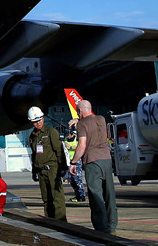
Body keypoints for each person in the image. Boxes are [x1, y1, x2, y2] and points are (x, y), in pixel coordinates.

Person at [69, 99, 117, 234]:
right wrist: (79, 120)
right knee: (109, 194)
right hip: (106, 160)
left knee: (96, 197)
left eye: (77, 112)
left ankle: (102, 229)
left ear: (80, 111)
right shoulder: (101, 119)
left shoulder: (82, 125)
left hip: (92, 162)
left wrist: (73, 162)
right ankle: (112, 226)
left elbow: (82, 145)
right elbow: (91, 120)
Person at [27, 106, 67, 221]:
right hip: (41, 171)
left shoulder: (51, 132)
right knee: (46, 200)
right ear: (31, 122)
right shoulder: (33, 136)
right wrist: (34, 171)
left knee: (57, 199)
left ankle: (61, 224)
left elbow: (59, 150)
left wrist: (63, 168)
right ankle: (50, 222)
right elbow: (34, 154)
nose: (38, 123)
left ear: (43, 118)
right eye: (35, 121)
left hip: (52, 170)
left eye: (39, 120)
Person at [64, 120, 86, 202]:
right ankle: (77, 195)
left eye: (68, 135)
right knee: (72, 180)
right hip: (69, 162)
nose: (67, 137)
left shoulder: (77, 139)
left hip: (76, 161)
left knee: (77, 179)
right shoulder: (65, 140)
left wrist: (70, 147)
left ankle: (82, 195)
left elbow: (80, 147)